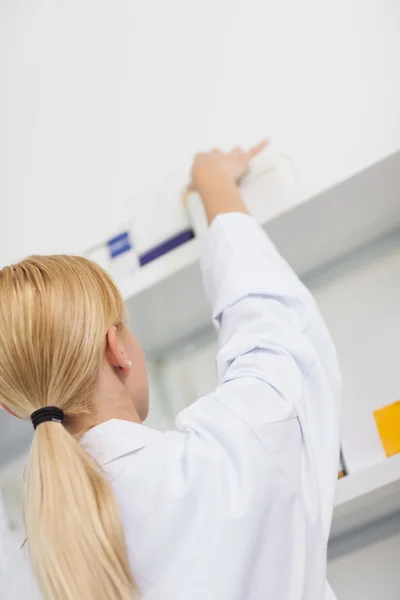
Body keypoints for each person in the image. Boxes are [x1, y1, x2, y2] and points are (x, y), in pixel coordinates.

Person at [0, 143, 341, 600]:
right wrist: (213, 180)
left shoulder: (21, 574)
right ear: (117, 348)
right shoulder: (232, 453)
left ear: (11, 407)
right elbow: (272, 323)